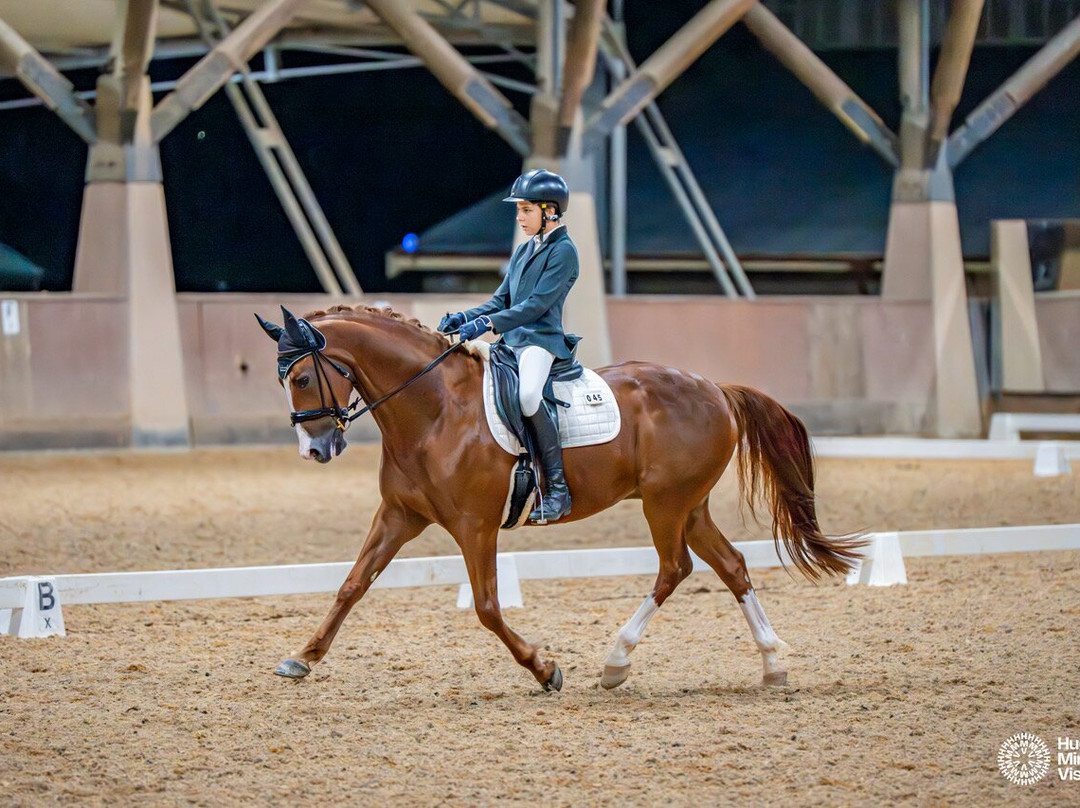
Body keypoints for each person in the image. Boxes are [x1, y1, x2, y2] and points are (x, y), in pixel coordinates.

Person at [438, 168, 579, 523]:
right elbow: (501, 300)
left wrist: (485, 325)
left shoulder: (564, 252)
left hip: (540, 341)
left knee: (529, 396)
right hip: (512, 341)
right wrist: (464, 316)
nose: (519, 217)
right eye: (518, 210)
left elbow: (535, 305)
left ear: (550, 211)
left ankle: (557, 489)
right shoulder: (523, 251)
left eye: (526, 210)